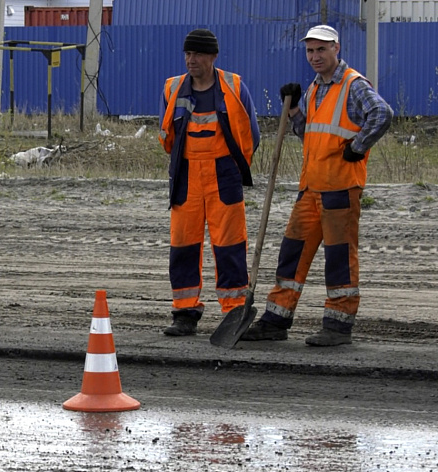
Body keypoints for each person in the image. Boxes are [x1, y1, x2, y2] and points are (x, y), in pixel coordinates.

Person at [241, 25, 393, 346]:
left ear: (336, 48)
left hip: (340, 187)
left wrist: (359, 146)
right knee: (292, 253)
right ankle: (276, 320)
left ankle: (338, 326)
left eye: (321, 50)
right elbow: (306, 132)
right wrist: (294, 108)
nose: (315, 56)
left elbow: (382, 113)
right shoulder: (314, 88)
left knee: (339, 257)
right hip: (310, 189)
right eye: (310, 51)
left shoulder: (353, 85)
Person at [158, 29, 260, 336]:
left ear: (213, 57)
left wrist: (231, 168)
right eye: (188, 54)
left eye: (198, 54)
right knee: (183, 244)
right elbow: (167, 136)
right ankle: (185, 312)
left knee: (229, 244)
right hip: (187, 175)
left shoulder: (234, 86)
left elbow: (250, 136)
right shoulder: (172, 88)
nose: (192, 60)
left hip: (223, 174)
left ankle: (234, 311)